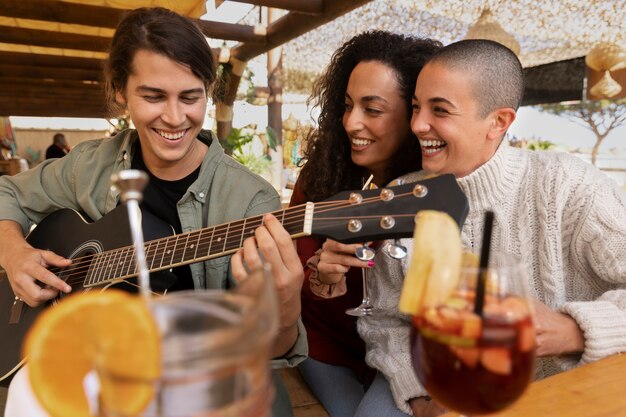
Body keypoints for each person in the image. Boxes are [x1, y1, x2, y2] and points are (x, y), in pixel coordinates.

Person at [0, 7, 305, 416]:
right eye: (153, 96)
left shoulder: (252, 204)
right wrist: (14, 251)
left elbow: (267, 350)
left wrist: (285, 308)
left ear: (208, 92)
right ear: (120, 92)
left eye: (190, 97)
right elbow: (8, 192)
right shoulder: (88, 165)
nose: (175, 118)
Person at [355, 38, 626, 416]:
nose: (417, 124)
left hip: (567, 392)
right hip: (440, 389)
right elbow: (386, 322)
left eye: (440, 110)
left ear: (498, 122)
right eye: (416, 107)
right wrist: (422, 399)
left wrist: (572, 330)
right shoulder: (400, 198)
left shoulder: (568, 185)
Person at [290, 31, 442, 417]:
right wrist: (320, 278)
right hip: (329, 346)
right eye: (346, 105)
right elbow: (300, 291)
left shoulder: (435, 190)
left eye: (372, 110)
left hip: (404, 353)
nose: (351, 122)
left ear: (415, 115)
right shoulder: (318, 177)